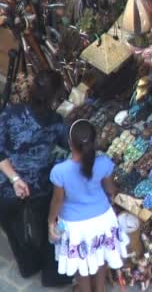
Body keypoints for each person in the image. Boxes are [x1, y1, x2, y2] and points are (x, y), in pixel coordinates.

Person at [0, 70, 72, 287]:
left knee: (15, 231)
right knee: (49, 231)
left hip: (6, 188)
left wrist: (14, 179)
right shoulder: (56, 122)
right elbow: (70, 147)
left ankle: (28, 266)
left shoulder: (10, 113)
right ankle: (54, 277)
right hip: (39, 190)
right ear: (54, 97)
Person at [47, 119, 128, 292]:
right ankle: (100, 289)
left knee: (80, 265)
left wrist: (50, 221)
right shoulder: (104, 163)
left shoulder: (60, 171)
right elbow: (110, 189)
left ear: (70, 144)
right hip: (102, 220)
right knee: (100, 258)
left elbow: (58, 201)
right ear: (94, 142)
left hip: (75, 226)